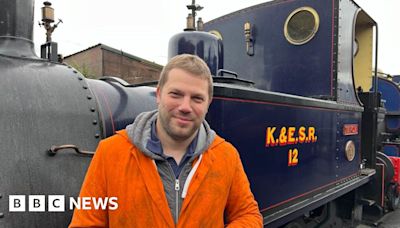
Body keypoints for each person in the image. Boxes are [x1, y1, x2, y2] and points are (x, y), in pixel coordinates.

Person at [69, 54, 262, 227]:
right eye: (176, 94)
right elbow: (85, 223)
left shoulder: (226, 155)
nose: (185, 106)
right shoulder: (111, 153)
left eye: (197, 98)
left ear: (208, 103)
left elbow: (249, 214)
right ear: (159, 94)